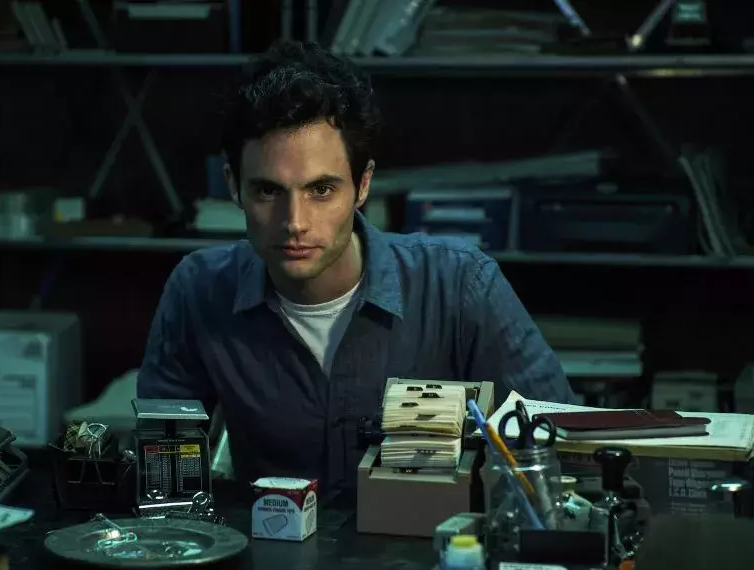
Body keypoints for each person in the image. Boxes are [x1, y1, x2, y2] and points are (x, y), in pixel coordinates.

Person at [137, 40, 575, 492]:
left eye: (321, 190)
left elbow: (559, 449)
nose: (294, 222)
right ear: (234, 186)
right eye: (268, 191)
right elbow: (166, 481)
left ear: (362, 184)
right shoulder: (199, 290)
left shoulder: (460, 284)